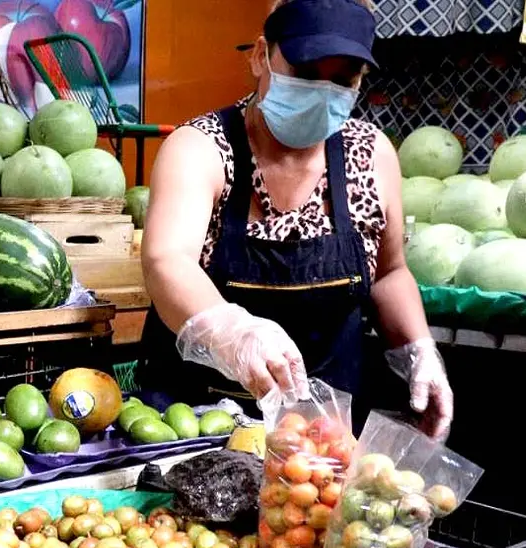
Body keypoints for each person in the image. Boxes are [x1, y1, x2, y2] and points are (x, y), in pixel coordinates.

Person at [136, 0, 453, 439]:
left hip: (321, 443)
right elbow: (167, 260)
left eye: (344, 80)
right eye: (306, 73)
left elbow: (388, 273)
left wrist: (418, 352)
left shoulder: (371, 155)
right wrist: (232, 330)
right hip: (196, 424)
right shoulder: (201, 149)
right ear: (260, 56)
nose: (323, 91)